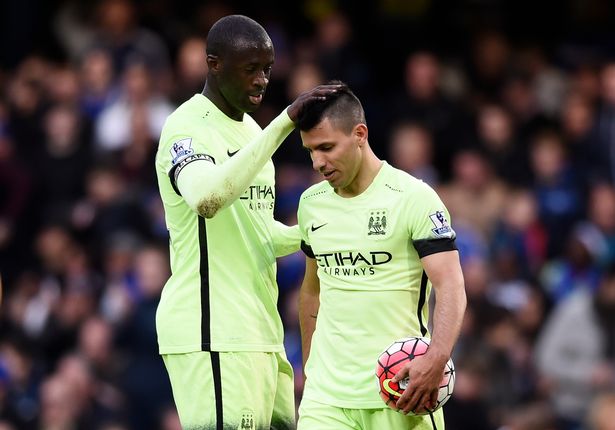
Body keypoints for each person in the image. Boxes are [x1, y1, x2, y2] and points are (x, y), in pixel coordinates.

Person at [154, 14, 341, 430]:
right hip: (213, 331)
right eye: (250, 68)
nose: (261, 80)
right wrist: (285, 123)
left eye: (268, 70)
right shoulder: (185, 128)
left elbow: (256, 232)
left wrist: (310, 233)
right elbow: (206, 198)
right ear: (214, 63)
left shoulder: (253, 131)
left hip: (261, 332)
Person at [295, 82, 466, 429]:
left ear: (360, 134)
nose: (318, 162)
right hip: (326, 401)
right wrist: (312, 370)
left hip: (400, 392)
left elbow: (450, 285)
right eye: (310, 151)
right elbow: (312, 290)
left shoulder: (413, 198)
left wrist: (436, 358)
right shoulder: (311, 205)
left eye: (327, 147)